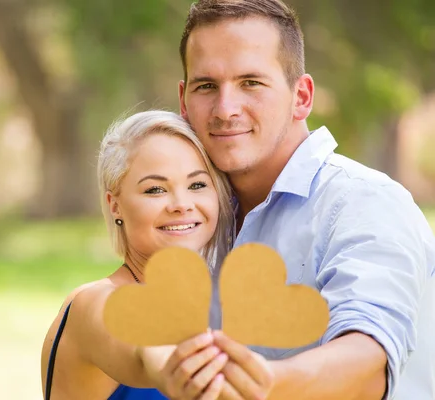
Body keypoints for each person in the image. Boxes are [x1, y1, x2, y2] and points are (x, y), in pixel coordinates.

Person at [161, 0, 435, 399]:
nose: (225, 109)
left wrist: (256, 383)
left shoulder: (365, 203)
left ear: (302, 96)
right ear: (184, 101)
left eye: (251, 82)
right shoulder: (197, 217)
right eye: (207, 86)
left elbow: (368, 363)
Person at [40, 110, 235, 399]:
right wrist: (169, 364)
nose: (182, 204)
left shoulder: (218, 306)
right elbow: (144, 346)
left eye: (197, 185)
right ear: (115, 205)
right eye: (155, 189)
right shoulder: (92, 305)